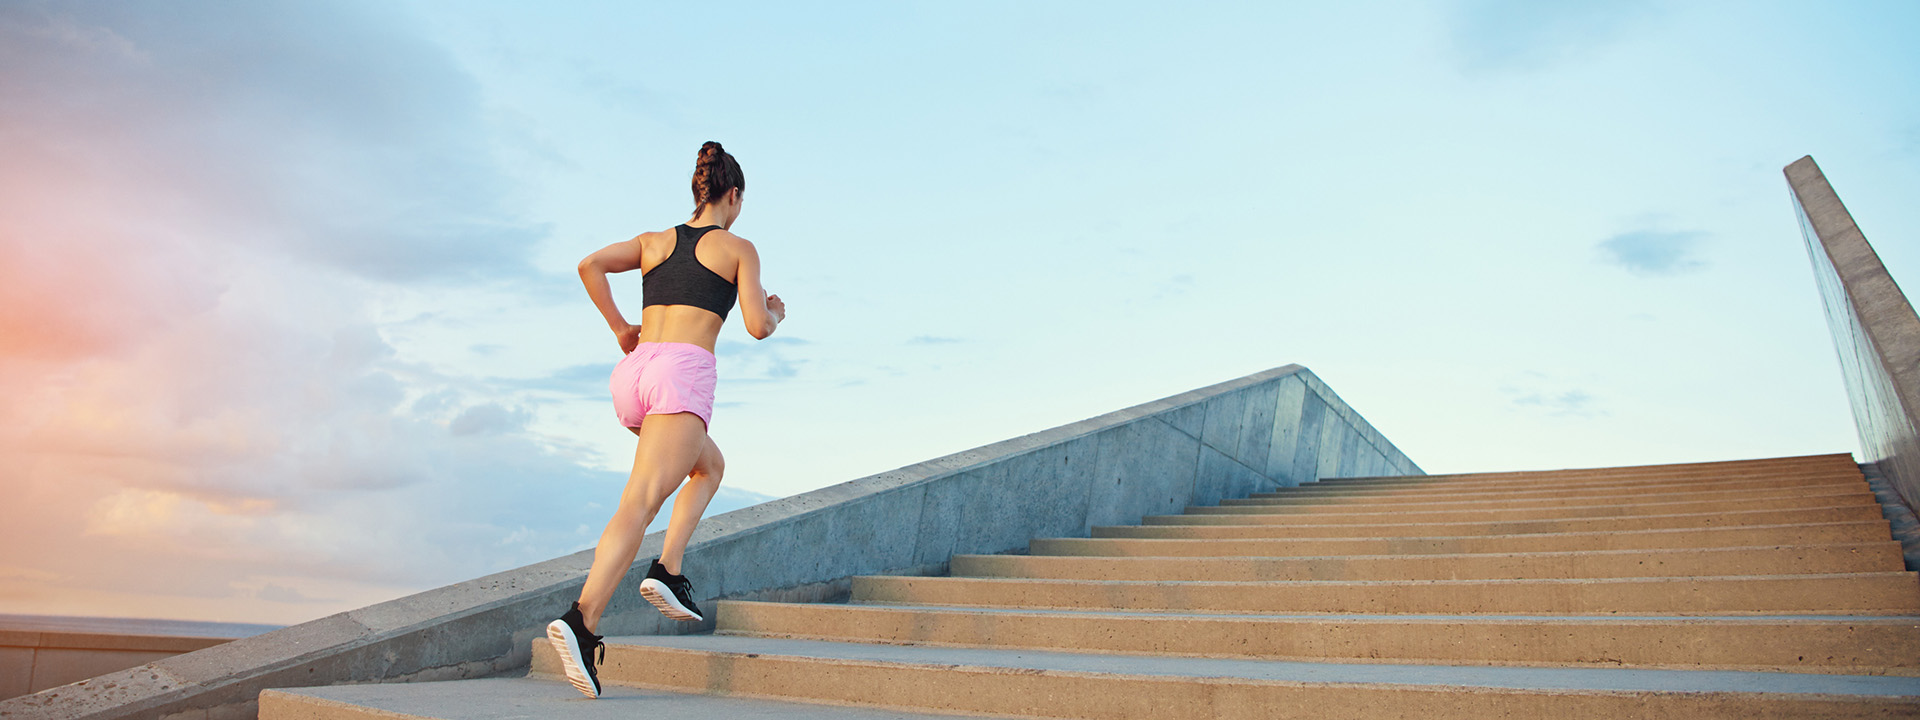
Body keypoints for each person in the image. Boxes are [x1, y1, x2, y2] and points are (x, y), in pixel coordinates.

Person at [544, 141, 786, 698]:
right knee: (639, 502)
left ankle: (668, 569)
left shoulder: (655, 242)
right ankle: (582, 621)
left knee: (710, 467)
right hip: (681, 373)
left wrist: (620, 328)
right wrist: (775, 310)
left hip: (635, 374)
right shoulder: (739, 248)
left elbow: (590, 265)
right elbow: (755, 325)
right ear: (734, 196)